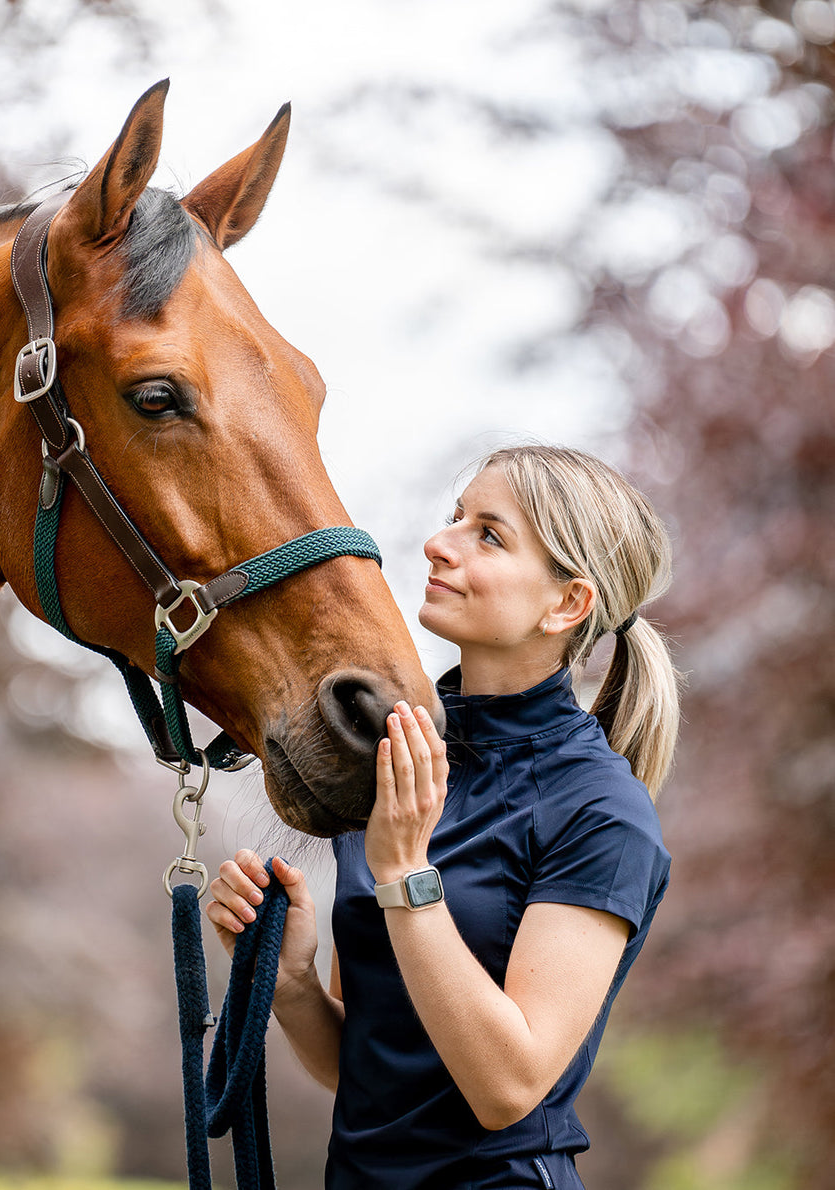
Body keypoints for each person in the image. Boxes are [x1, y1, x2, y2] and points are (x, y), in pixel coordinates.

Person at [208, 444, 679, 1190]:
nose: (439, 543)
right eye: (454, 518)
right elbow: (368, 1070)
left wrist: (404, 874)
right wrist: (293, 982)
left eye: (488, 534)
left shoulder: (601, 812)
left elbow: (506, 1087)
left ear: (566, 604)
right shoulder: (397, 754)